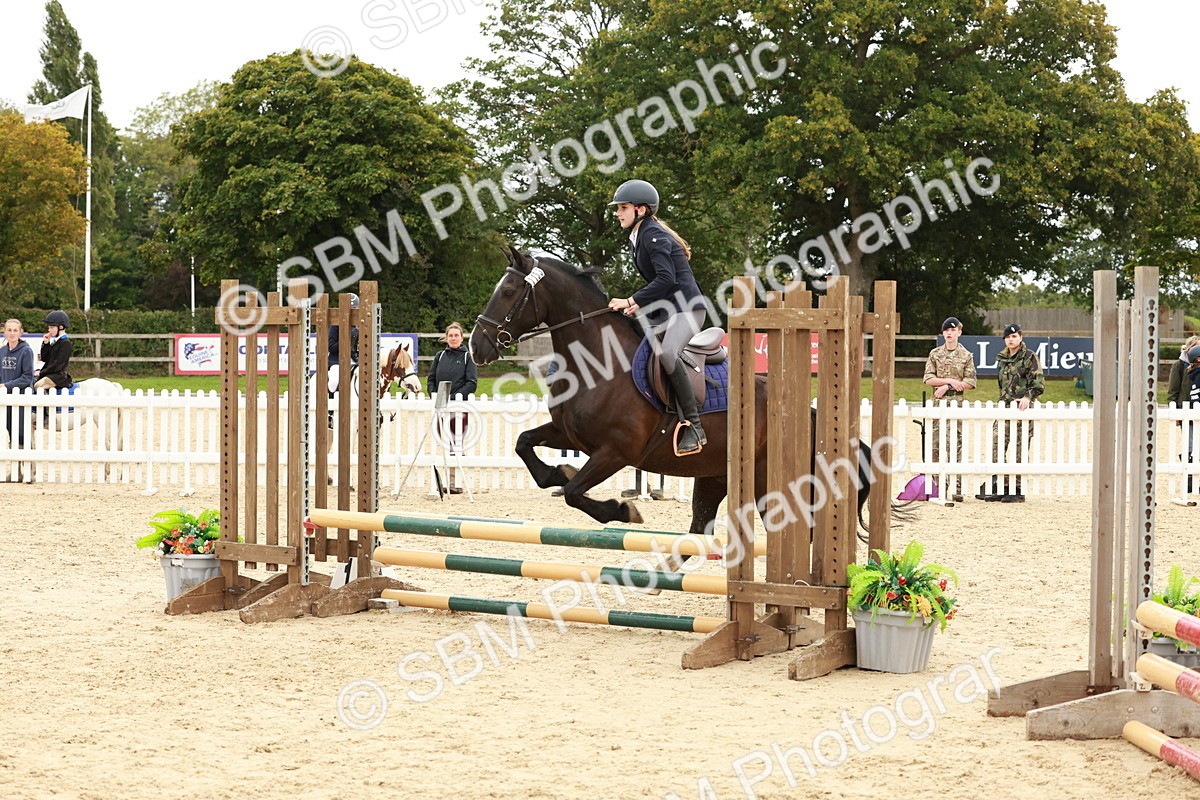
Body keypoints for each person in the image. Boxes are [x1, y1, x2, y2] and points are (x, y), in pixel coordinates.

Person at [606, 178, 707, 455]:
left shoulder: (654, 237)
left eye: (623, 208)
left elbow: (666, 277)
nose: (618, 213)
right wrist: (638, 306)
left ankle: (694, 426)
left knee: (666, 353)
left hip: (688, 309)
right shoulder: (638, 237)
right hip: (666, 310)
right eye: (618, 208)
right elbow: (661, 284)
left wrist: (632, 299)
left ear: (641, 209)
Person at [980, 323, 1044, 502]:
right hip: (1004, 409)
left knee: (1019, 449)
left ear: (1020, 338)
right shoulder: (1002, 358)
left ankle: (1017, 490)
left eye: (1014, 336)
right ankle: (1002, 485)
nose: (1011, 339)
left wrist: (1027, 397)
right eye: (1008, 337)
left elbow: (1038, 383)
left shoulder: (1029, 357)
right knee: (997, 446)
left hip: (1022, 410)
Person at [922, 316, 977, 502]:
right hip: (937, 406)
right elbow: (928, 379)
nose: (949, 333)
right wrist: (951, 380)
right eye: (946, 330)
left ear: (959, 332)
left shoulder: (966, 356)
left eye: (953, 330)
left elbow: (970, 382)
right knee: (935, 446)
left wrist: (947, 386)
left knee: (956, 446)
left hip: (956, 406)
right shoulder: (935, 354)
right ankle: (937, 486)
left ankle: (956, 487)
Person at [427, 322, 477, 494]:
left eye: (456, 335)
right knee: (443, 441)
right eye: (450, 336)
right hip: (441, 406)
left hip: (458, 406)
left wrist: (456, 398)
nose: (453, 338)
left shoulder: (467, 357)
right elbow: (431, 378)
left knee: (456, 444)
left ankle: (455, 482)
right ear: (446, 338)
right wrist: (434, 395)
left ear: (461, 338)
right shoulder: (439, 356)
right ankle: (445, 479)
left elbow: (472, 383)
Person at [1, 318, 35, 481]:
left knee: (22, 435)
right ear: (4, 332)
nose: (12, 333)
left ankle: (28, 471)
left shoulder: (26, 351)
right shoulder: (1, 351)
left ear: (20, 332)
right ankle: (15, 471)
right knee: (11, 435)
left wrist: (6, 385)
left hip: (22, 399)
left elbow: (27, 377)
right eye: (9, 330)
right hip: (6, 400)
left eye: (15, 330)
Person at [34, 310, 74, 391]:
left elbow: (57, 365)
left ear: (61, 327)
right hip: (50, 375)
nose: (49, 330)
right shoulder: (55, 342)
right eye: (49, 327)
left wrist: (41, 372)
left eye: (51, 327)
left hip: (58, 377)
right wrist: (46, 343)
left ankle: (47, 404)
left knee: (38, 386)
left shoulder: (65, 343)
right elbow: (45, 358)